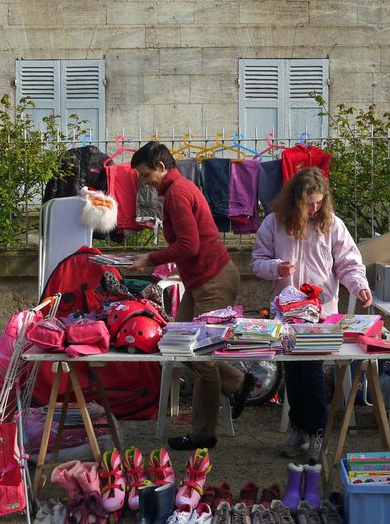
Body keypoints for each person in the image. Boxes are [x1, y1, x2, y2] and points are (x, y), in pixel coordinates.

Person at [127, 141, 255, 451]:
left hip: (212, 279)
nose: (144, 183)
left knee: (200, 355)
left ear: (160, 167)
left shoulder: (177, 194)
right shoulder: (177, 190)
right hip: (204, 280)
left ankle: (203, 433)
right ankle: (238, 383)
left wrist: (150, 258)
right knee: (179, 347)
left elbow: (189, 246)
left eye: (145, 175)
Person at [251, 167, 371, 463]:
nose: (315, 208)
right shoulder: (273, 223)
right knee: (293, 373)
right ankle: (299, 429)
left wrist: (360, 286)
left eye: (319, 202)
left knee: (314, 372)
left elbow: (348, 263)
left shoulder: (332, 225)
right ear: (295, 200)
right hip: (287, 314)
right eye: (309, 203)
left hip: (320, 314)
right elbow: (257, 262)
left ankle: (316, 431)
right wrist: (275, 267)